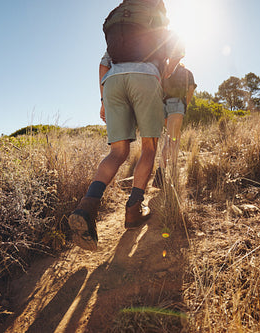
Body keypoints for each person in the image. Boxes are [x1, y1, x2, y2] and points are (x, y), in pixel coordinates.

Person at [68, 0, 181, 251]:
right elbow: (175, 52)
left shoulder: (118, 20)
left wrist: (102, 102)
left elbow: (102, 64)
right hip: (146, 76)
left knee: (118, 152)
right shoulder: (158, 19)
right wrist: (162, 74)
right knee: (149, 147)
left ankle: (86, 206)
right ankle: (133, 209)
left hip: (112, 81)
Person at [153, 63, 197, 187]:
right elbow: (191, 89)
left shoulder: (164, 71)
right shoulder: (187, 72)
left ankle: (169, 171)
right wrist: (185, 104)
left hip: (163, 106)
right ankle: (162, 174)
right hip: (177, 104)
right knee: (172, 138)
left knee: (174, 136)